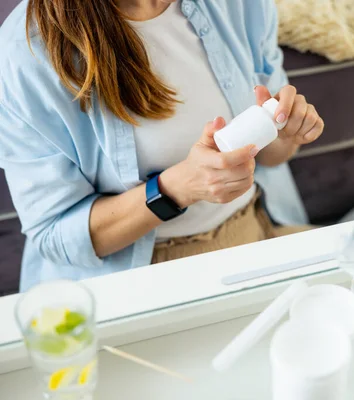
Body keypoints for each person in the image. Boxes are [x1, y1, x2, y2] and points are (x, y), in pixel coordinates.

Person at [0, 0, 324, 291]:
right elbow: (54, 236)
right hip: (144, 278)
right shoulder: (25, 54)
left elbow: (272, 158)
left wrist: (285, 131)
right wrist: (173, 190)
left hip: (256, 234)